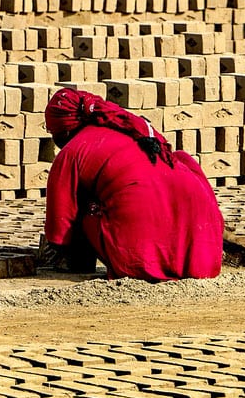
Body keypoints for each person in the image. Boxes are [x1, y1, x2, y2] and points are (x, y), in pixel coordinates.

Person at [41, 87, 225, 282]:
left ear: (64, 129)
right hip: (205, 256)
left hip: (140, 260)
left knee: (83, 204)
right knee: (179, 160)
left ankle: (133, 257)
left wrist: (59, 250)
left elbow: (59, 223)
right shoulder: (131, 129)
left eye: (51, 131)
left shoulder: (71, 152)